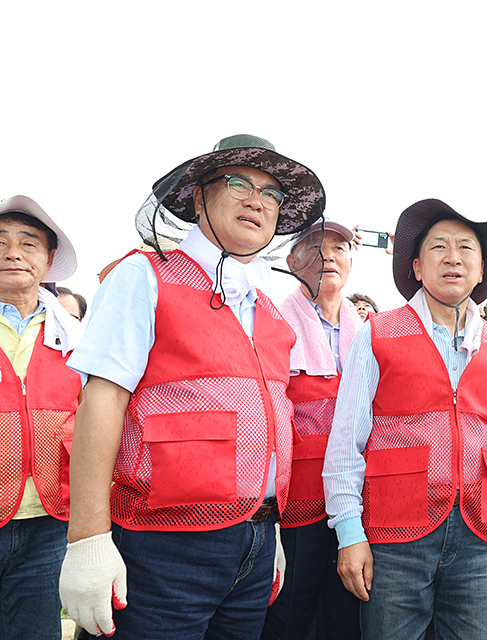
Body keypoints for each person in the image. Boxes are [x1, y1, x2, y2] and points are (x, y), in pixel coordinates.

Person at [59, 134, 326, 639]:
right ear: (199, 196)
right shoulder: (145, 275)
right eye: (239, 183)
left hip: (257, 544)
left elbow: (269, 428)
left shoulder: (269, 312)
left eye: (271, 194)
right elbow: (102, 399)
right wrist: (87, 538)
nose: (257, 200)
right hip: (164, 546)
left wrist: (271, 533)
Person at [323, 199, 487, 640]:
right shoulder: (378, 332)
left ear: (481, 273)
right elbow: (345, 443)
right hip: (394, 536)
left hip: (482, 538)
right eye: (438, 247)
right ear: (417, 267)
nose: (452, 258)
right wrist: (348, 532)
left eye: (465, 249)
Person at [260, 220, 362, 640]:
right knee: (289, 615)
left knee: (344, 616)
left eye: (339, 248)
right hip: (296, 503)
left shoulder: (366, 329)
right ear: (291, 262)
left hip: (355, 504)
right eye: (316, 249)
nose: (329, 257)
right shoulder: (272, 321)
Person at [0, 195, 82, 640]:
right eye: (0, 241)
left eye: (28, 243)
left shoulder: (78, 338)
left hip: (49, 524)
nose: (13, 252)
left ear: (49, 260)